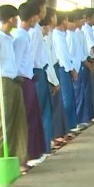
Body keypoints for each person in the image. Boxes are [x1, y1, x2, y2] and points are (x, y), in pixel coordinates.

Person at [0, 5, 29, 173]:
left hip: (14, 80)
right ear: (11, 19)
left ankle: (18, 159)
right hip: (2, 82)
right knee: (3, 124)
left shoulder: (10, 38)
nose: (17, 21)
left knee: (18, 121)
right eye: (15, 18)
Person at [15, 2, 47, 166]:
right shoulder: (20, 37)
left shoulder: (26, 35)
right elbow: (16, 62)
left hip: (29, 78)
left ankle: (34, 151)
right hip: (23, 80)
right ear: (33, 17)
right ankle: (27, 153)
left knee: (34, 116)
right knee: (28, 117)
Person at [26, 0, 55, 153]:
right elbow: (32, 57)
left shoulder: (36, 30)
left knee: (43, 110)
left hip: (38, 71)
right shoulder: (35, 32)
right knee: (42, 111)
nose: (45, 11)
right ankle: (43, 147)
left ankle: (44, 145)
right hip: (36, 72)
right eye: (43, 8)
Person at [40, 8, 70, 147]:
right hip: (49, 72)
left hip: (54, 68)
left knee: (57, 106)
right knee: (51, 107)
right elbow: (47, 60)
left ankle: (57, 134)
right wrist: (54, 80)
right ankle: (52, 137)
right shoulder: (44, 36)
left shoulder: (51, 33)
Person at [53, 11, 78, 129]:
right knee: (67, 98)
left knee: (71, 97)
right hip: (64, 69)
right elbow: (63, 56)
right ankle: (67, 126)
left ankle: (71, 125)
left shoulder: (62, 35)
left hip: (67, 67)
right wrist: (71, 70)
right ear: (63, 21)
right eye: (67, 20)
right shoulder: (57, 35)